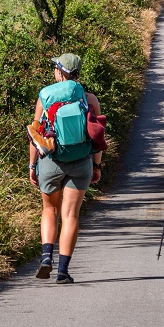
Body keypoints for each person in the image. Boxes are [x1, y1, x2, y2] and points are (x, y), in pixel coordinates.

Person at [28, 53, 103, 284]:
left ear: (60, 71)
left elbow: (36, 135)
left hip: (51, 161)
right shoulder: (89, 98)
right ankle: (63, 271)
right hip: (81, 162)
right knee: (70, 214)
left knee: (50, 210)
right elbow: (97, 136)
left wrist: (32, 165)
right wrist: (97, 165)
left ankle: (46, 258)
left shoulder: (45, 95)